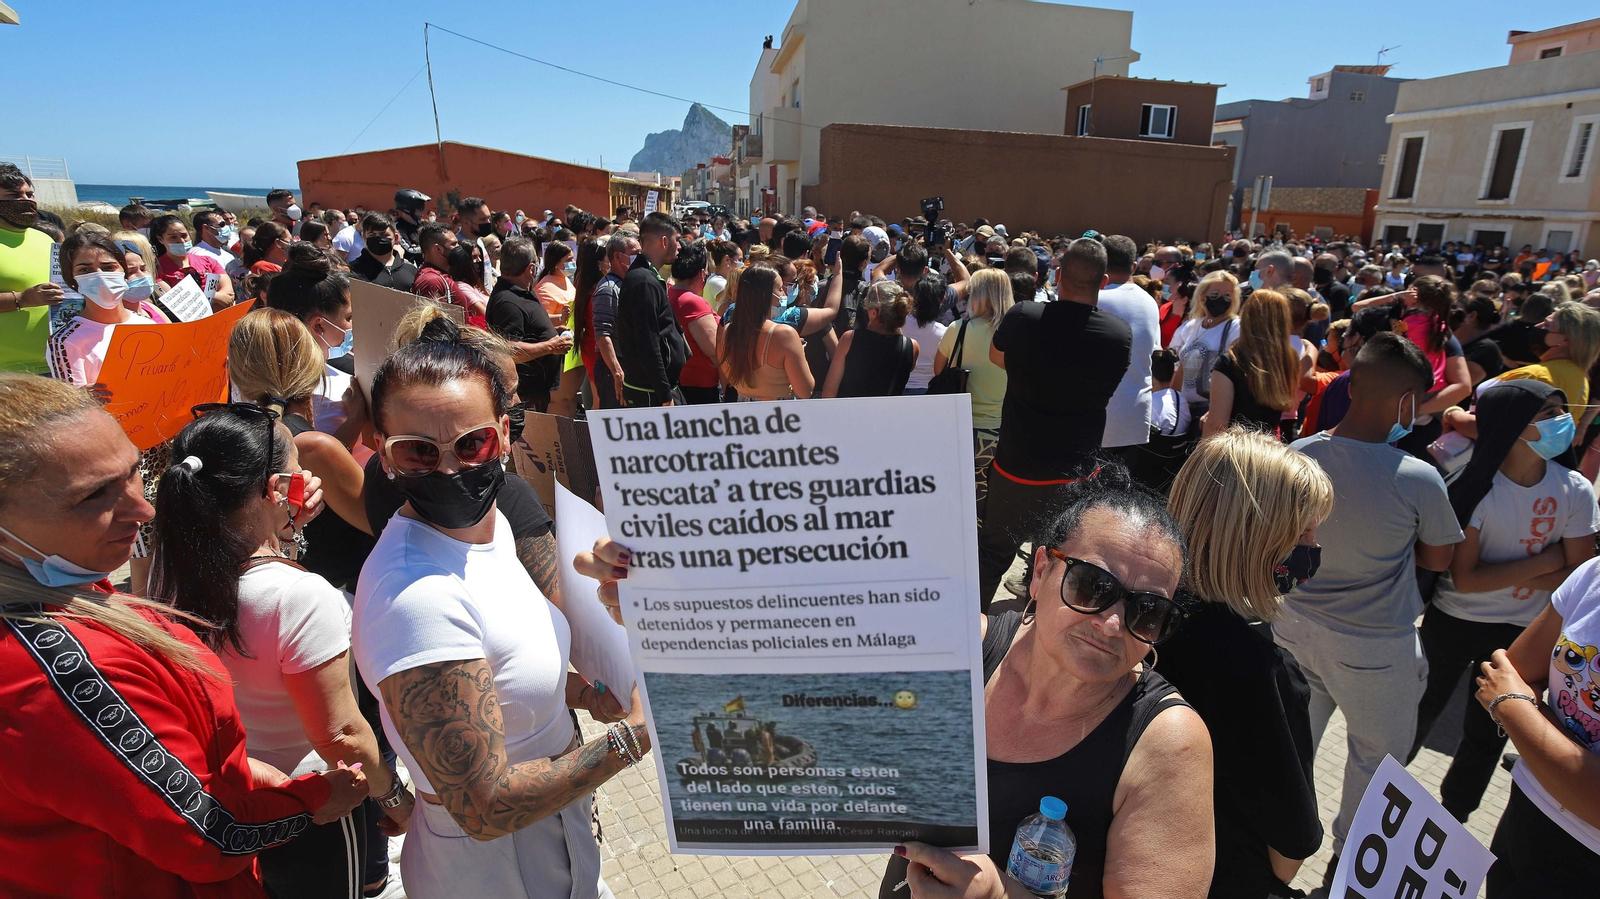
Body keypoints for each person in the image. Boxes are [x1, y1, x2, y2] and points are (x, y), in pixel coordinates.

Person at [0, 374, 367, 897]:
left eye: (133, 475)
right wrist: (313, 801)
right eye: (92, 496)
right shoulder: (56, 668)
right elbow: (211, 836)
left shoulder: (70, 578)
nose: (143, 509)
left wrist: (277, 523)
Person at [353, 318, 641, 899]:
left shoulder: (492, 528)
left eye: (472, 443)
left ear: (504, 436)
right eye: (418, 452)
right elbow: (482, 808)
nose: (450, 468)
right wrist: (637, 733)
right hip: (494, 871)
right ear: (385, 455)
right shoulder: (414, 598)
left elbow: (499, 671)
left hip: (555, 838)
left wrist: (581, 692)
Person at [879, 465, 1214, 899]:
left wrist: (1000, 896)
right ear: (1040, 572)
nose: (1113, 624)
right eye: (1093, 585)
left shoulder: (1168, 745)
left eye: (1147, 610)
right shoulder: (962, 650)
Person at [150, 404, 411, 898]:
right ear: (275, 490)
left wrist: (284, 528)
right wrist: (395, 799)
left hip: (232, 800)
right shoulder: (300, 597)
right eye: (295, 473)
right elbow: (342, 735)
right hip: (313, 806)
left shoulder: (170, 570)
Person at [1275, 332, 1465, 878]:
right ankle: (1349, 867)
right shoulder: (1416, 477)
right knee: (1375, 762)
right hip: (1375, 648)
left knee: (1293, 747)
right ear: (1407, 400)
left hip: (1294, 627)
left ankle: (1279, 850)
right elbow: (1437, 559)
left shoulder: (1297, 455)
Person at [1410, 380, 1597, 822]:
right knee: (1417, 713)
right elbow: (1466, 580)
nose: (1563, 422)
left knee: (1489, 732)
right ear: (1513, 426)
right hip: (1454, 621)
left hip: (1522, 633)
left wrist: (1533, 571)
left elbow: (1578, 575)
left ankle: (1455, 816)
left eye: (1561, 411)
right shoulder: (1475, 486)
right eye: (1548, 414)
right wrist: (1548, 561)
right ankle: (1377, 796)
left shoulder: (1574, 489)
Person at [1159, 429, 1333, 897]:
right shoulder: (1264, 672)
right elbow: (1290, 848)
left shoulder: (1136, 615)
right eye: (1304, 533)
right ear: (1257, 537)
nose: (1313, 549)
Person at [977, 239, 1133, 608]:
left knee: (993, 557)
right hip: (1074, 474)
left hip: (1016, 466)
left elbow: (995, 356)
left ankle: (972, 636)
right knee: (1061, 564)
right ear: (1104, 281)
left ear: (1058, 275)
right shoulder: (1118, 335)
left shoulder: (1023, 316)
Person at [1471, 558, 1600, 892]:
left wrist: (1515, 710)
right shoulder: (1594, 574)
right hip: (1527, 810)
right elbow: (1506, 672)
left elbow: (1506, 694)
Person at [935, 268, 1012, 526]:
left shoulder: (958, 329)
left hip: (958, 429)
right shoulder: (1014, 336)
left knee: (953, 493)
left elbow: (939, 371)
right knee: (986, 496)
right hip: (999, 432)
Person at [487, 236, 570, 415]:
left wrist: (552, 332)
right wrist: (550, 346)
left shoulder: (521, 290)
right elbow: (509, 349)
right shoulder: (508, 302)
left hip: (537, 392)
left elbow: (526, 328)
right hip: (524, 396)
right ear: (531, 268)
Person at [1203, 289, 1299, 437]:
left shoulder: (1230, 362)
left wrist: (1204, 458)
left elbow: (1216, 425)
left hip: (1235, 450)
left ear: (1247, 317)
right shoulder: (1289, 358)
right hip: (1268, 448)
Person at [1097, 236, 1161, 456]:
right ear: (1134, 267)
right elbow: (1153, 352)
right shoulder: (1150, 302)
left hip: (1099, 417)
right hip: (1135, 416)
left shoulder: (1096, 299)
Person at [615, 212, 687, 407]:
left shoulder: (647, 276)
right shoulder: (643, 281)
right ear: (664, 241)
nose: (679, 246)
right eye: (677, 240)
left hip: (658, 389)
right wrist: (664, 395)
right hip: (651, 394)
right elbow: (647, 342)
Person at [718, 264, 813, 402]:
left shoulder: (728, 331)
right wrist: (800, 352)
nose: (784, 294)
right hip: (780, 417)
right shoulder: (785, 335)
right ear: (766, 295)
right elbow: (806, 390)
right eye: (780, 289)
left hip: (745, 416)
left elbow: (729, 376)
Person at [0, 164, 57, 374]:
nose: (26, 200)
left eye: (30, 194)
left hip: (57, 363)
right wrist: (22, 299)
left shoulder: (45, 239)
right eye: (15, 195)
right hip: (8, 372)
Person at [821, 280, 917, 399]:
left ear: (873, 313)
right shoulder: (912, 347)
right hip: (888, 415)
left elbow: (829, 392)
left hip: (850, 414)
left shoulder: (849, 339)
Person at [1171, 271, 1242, 427]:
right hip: (1184, 408)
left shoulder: (1235, 327)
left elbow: (1238, 370)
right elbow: (1180, 367)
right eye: (1215, 294)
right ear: (1203, 297)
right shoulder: (1191, 326)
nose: (1222, 299)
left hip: (1210, 409)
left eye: (1227, 295)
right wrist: (1173, 400)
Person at [585, 234, 636, 410]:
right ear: (617, 256)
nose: (638, 258)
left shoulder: (627, 284)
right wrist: (617, 372)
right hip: (612, 371)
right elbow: (602, 335)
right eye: (634, 253)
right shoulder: (608, 289)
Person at [668, 243, 722, 404]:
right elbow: (714, 349)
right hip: (700, 385)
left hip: (684, 381)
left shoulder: (669, 293)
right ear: (701, 273)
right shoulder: (692, 301)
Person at [150, 214, 234, 306]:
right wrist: (214, 296)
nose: (181, 241)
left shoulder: (208, 261)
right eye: (173, 237)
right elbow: (175, 301)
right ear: (160, 239)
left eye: (184, 235)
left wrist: (208, 297)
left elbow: (228, 294)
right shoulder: (157, 269)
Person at [349, 212, 417, 291]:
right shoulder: (354, 271)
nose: (378, 238)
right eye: (372, 235)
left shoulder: (410, 269)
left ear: (396, 237)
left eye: (383, 234)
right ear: (364, 237)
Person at [446, 243, 490, 321]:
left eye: (479, 257)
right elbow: (484, 313)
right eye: (474, 257)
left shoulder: (475, 285)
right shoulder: (462, 287)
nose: (479, 261)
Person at [535, 240, 576, 323]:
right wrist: (561, 317)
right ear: (556, 264)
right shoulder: (544, 289)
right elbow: (540, 319)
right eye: (569, 260)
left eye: (573, 258)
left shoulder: (566, 279)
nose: (573, 262)